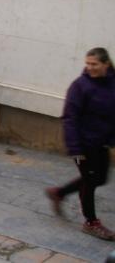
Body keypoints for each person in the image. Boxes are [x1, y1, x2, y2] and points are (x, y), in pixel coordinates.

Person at [46, 47, 115, 241]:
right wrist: (75, 149)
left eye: (94, 64)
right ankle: (91, 222)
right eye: (88, 64)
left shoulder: (112, 83)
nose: (90, 67)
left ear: (106, 64)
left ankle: (58, 193)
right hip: (84, 144)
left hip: (102, 142)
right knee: (90, 182)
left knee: (100, 178)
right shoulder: (80, 86)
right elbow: (70, 118)